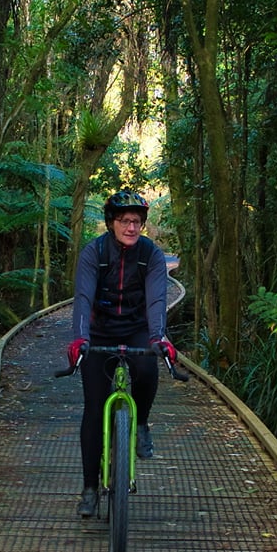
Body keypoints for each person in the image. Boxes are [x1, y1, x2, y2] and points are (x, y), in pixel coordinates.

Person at [66, 189, 176, 518]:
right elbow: (83, 297)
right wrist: (79, 338)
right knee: (94, 409)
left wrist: (159, 337)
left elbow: (157, 299)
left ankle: (140, 423)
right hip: (99, 332)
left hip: (136, 327)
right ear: (111, 223)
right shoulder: (94, 253)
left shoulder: (150, 255)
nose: (131, 227)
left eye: (138, 222)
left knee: (147, 368)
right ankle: (89, 488)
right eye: (125, 221)